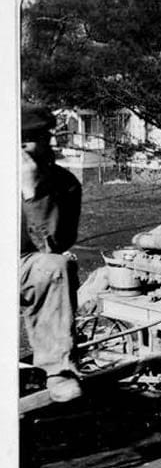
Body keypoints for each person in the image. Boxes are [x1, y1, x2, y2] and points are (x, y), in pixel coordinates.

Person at [20, 103, 84, 402]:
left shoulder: (64, 184)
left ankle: (58, 371)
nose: (20, 146)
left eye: (29, 137)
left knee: (56, 266)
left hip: (24, 266)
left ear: (47, 140)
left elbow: (53, 245)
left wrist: (33, 193)